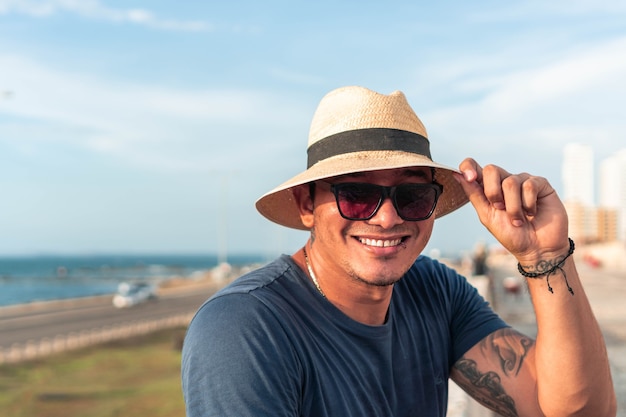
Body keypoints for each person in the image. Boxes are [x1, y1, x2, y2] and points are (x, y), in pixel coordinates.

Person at [182, 86, 616, 417]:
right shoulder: (243, 330)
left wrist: (545, 256)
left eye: (411, 195)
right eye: (356, 193)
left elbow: (578, 410)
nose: (387, 218)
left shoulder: (433, 291)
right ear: (306, 204)